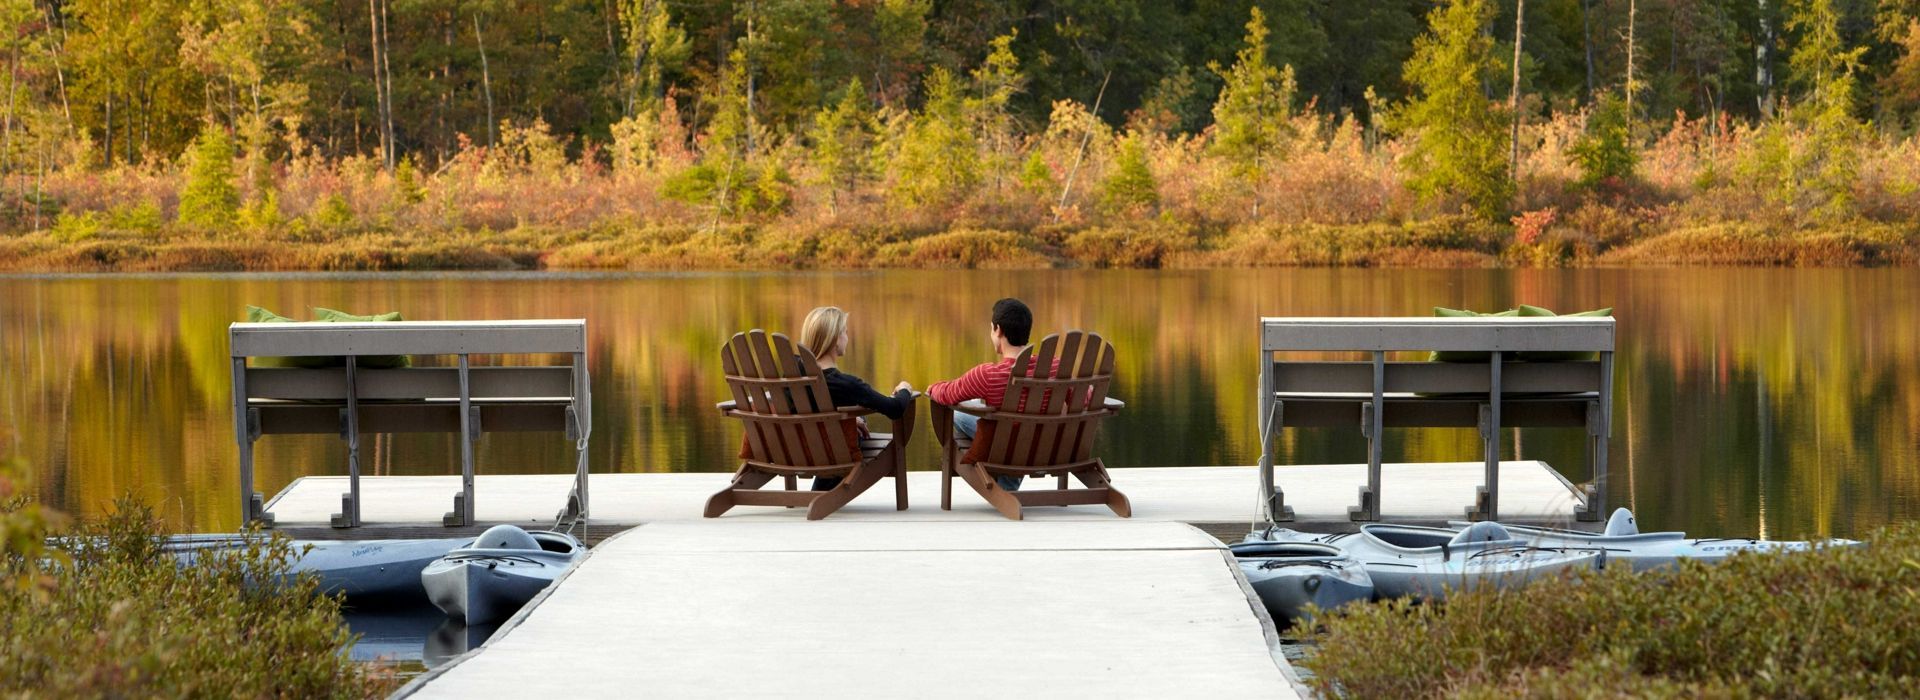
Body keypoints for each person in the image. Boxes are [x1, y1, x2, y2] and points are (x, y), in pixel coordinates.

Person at [928, 298, 1042, 492]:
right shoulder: (1054, 368)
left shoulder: (988, 375)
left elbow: (947, 394)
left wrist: (932, 387)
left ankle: (1005, 482)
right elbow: (1086, 396)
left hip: (1007, 444)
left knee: (958, 413)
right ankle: (1008, 481)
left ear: (998, 330)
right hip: (1041, 447)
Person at [798, 306, 913, 490]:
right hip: (834, 452)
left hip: (799, 450)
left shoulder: (793, 374)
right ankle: (825, 492)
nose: (847, 337)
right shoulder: (846, 385)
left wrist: (847, 421)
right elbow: (895, 408)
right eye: (845, 332)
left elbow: (808, 411)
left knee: (859, 420)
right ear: (835, 340)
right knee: (861, 424)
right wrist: (904, 390)